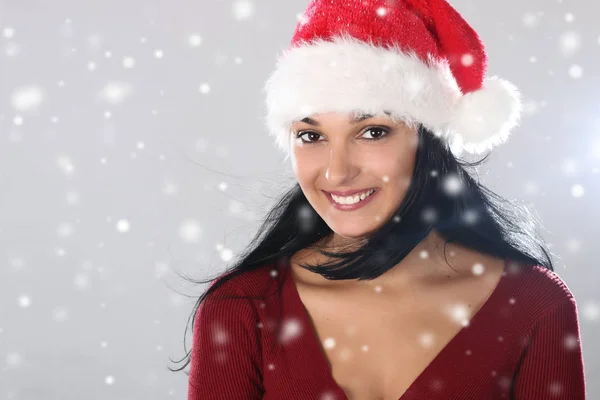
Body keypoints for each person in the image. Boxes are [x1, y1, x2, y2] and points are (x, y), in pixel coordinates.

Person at [176, 0, 587, 399]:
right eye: (311, 135)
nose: (337, 172)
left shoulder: (536, 306)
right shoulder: (240, 308)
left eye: (372, 131)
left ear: (429, 141)